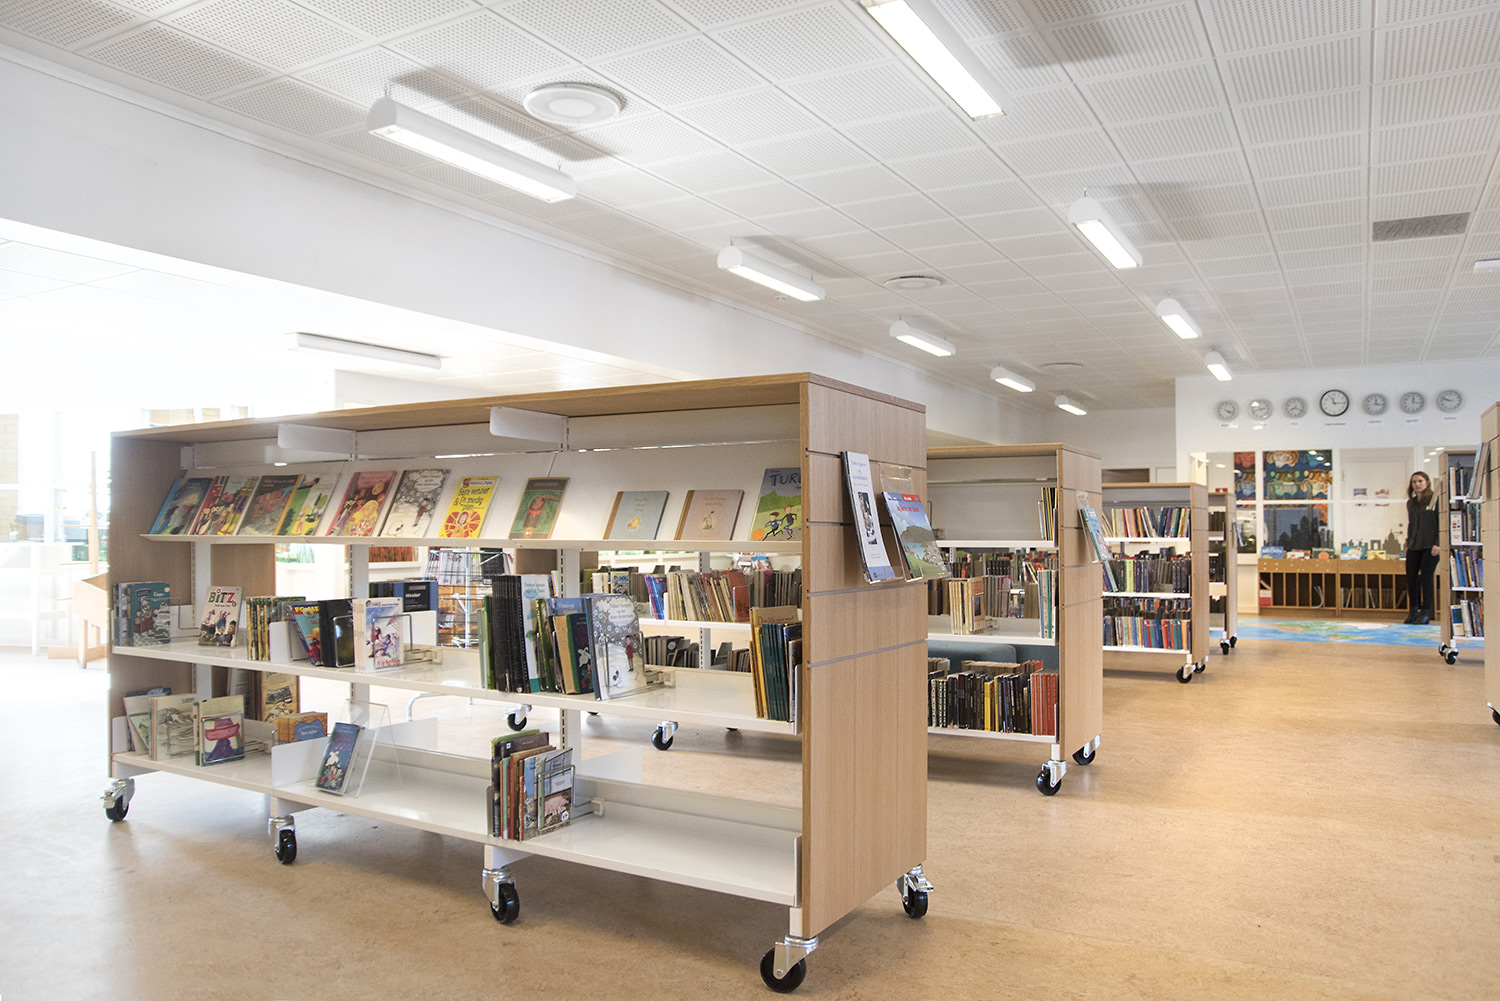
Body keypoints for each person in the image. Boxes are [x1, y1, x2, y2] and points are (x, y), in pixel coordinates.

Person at [1404, 471, 1440, 624]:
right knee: (1411, 578)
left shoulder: (1434, 500)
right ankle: (1413, 611)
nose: (1417, 484)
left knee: (1426, 578)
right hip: (1414, 545)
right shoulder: (1411, 503)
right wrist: (1408, 543)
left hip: (1430, 546)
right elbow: (1411, 524)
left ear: (1427, 482)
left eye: (1420, 481)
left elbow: (1441, 522)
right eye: (1414, 482)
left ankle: (1425, 613)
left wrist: (1438, 543)